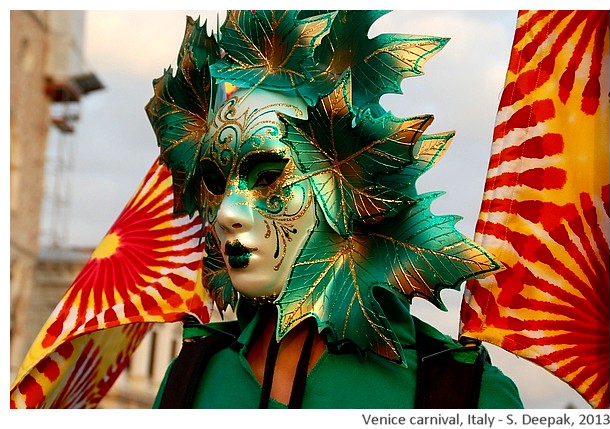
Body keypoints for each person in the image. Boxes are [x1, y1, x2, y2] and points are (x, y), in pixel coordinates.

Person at [146, 10, 523, 409]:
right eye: (216, 184)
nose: (226, 215)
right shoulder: (191, 379)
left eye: (268, 175)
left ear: (348, 176)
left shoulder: (461, 392)